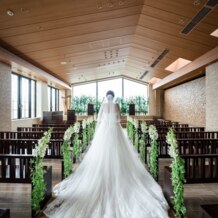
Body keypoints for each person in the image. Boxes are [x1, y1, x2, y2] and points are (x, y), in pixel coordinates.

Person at [44, 90, 169, 218]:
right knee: (119, 153)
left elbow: (100, 120)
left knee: (101, 155)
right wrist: (113, 122)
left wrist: (105, 124)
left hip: (104, 131)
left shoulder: (103, 106)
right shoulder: (117, 106)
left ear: (105, 97)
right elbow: (119, 119)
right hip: (115, 131)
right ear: (113, 97)